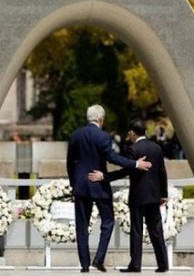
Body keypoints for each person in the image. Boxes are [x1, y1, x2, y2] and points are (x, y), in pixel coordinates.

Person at [66, 104, 152, 273]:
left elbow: (70, 163)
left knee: (81, 225)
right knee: (108, 220)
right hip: (99, 185)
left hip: (81, 186)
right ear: (101, 119)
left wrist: (74, 183)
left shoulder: (75, 136)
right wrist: (135, 164)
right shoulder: (104, 137)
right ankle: (99, 258)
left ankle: (84, 265)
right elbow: (113, 158)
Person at [88, 120, 169, 273]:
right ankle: (163, 263)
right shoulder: (156, 148)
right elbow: (162, 172)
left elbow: (125, 171)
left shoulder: (133, 149)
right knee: (156, 230)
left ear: (132, 133)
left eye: (129, 133)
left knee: (137, 231)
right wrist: (163, 194)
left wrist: (104, 177)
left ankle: (136, 264)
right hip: (154, 196)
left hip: (138, 196)